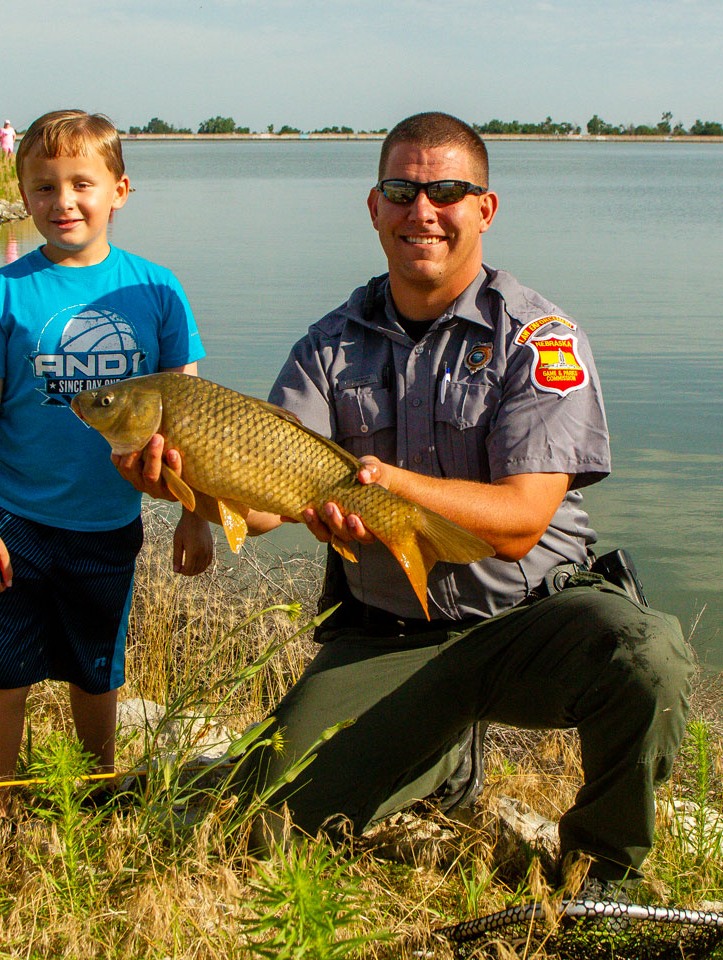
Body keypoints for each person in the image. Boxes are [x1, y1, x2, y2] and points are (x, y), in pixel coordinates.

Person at [118, 111, 692, 895]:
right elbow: (263, 504)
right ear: (375, 207)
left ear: (484, 209)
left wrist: (387, 484)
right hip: (387, 637)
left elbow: (524, 522)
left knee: (647, 653)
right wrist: (186, 487)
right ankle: (438, 759)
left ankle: (605, 873)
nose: (423, 210)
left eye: (447, 191)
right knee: (259, 825)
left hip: (531, 621)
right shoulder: (329, 346)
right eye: (402, 190)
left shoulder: (540, 337)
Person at [0, 109, 212, 825]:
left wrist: (196, 516)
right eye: (43, 187)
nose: (62, 202)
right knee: (3, 674)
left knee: (97, 672)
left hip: (108, 524)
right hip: (17, 522)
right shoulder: (2, 293)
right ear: (24, 196)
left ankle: (98, 790)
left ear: (119, 191)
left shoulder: (158, 292)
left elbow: (192, 425)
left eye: (80, 184)